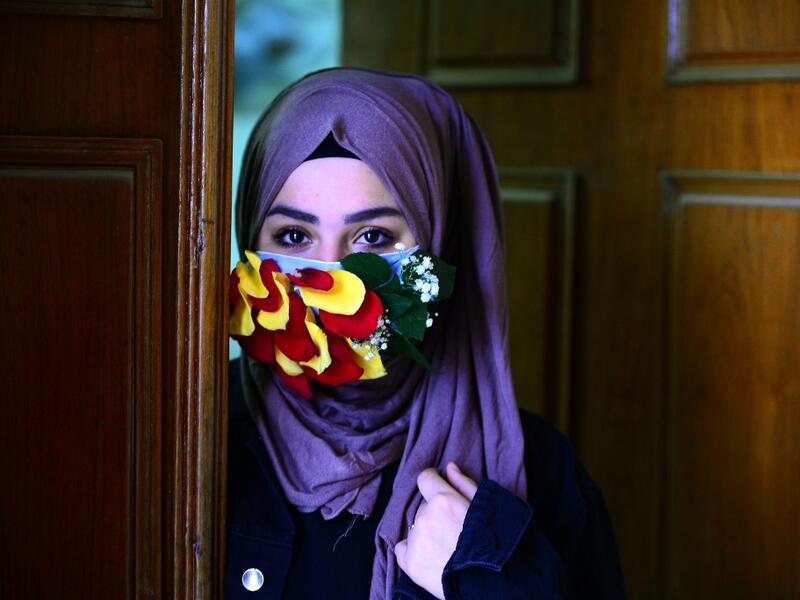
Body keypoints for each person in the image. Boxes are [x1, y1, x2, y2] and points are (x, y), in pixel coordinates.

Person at [226, 67, 625, 599]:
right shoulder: (195, 436)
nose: (330, 276)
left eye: (373, 236)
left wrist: (489, 578)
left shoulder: (544, 472)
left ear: (441, 245)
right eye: (294, 235)